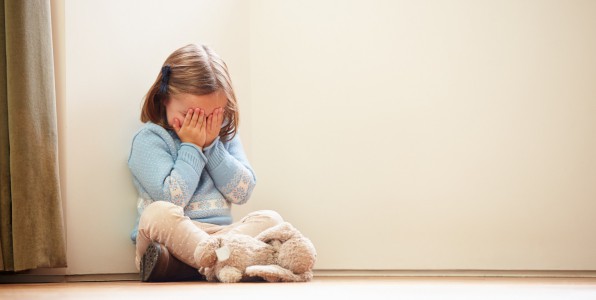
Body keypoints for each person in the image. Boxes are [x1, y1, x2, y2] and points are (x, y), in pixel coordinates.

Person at [128, 43, 283, 282]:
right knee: (157, 214)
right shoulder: (150, 140)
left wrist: (212, 146)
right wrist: (192, 146)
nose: (201, 125)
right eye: (191, 115)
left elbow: (242, 192)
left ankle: (199, 265)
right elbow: (173, 199)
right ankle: (226, 261)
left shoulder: (222, 136)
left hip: (222, 236)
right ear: (164, 98)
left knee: (271, 219)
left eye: (212, 116)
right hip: (171, 238)